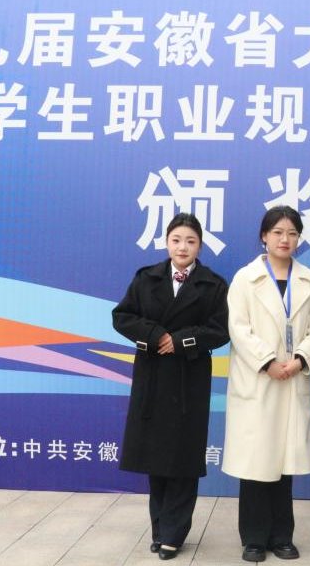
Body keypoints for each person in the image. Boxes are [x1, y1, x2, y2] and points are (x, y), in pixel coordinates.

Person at [113, 213, 230, 561]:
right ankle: (160, 528)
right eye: (176, 240)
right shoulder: (146, 278)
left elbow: (221, 329)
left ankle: (174, 533)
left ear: (200, 246)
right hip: (152, 376)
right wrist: (155, 336)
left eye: (190, 241)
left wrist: (180, 341)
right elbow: (122, 317)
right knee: (155, 457)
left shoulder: (213, 284)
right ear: (167, 242)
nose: (183, 247)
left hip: (188, 379)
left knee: (182, 458)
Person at [222, 206, 310, 563]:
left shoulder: (309, 280)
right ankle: (253, 538)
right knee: (256, 463)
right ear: (264, 236)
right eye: (278, 232)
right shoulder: (245, 278)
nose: (285, 239)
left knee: (284, 464)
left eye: (292, 233)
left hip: (292, 377)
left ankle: (282, 536)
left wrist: (300, 359)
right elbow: (238, 328)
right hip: (259, 380)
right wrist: (267, 361)